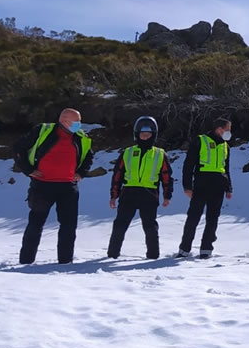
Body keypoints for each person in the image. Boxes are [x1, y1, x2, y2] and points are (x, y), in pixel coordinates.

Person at [13, 108, 93, 264]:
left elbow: (89, 157)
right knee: (36, 224)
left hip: (68, 188)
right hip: (42, 186)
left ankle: (65, 261)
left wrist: (82, 173)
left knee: (69, 226)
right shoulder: (43, 131)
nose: (79, 124)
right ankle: (26, 261)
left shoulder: (81, 137)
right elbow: (18, 148)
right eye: (76, 121)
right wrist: (28, 170)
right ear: (64, 120)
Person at [107, 116, 173, 260]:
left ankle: (153, 256)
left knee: (150, 226)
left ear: (153, 134)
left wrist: (167, 196)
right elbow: (117, 175)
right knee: (120, 224)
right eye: (142, 133)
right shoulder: (128, 152)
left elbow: (167, 176)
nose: (145, 136)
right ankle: (112, 255)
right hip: (129, 193)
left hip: (149, 194)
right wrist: (114, 195)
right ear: (136, 133)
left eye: (148, 133)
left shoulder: (159, 154)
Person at [177, 118, 233, 259]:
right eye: (227, 129)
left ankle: (206, 249)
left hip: (218, 186)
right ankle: (184, 248)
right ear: (219, 129)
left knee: (213, 218)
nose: (229, 133)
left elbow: (226, 168)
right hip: (202, 184)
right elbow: (188, 165)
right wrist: (187, 186)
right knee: (193, 217)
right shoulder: (200, 141)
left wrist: (229, 187)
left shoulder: (226, 146)